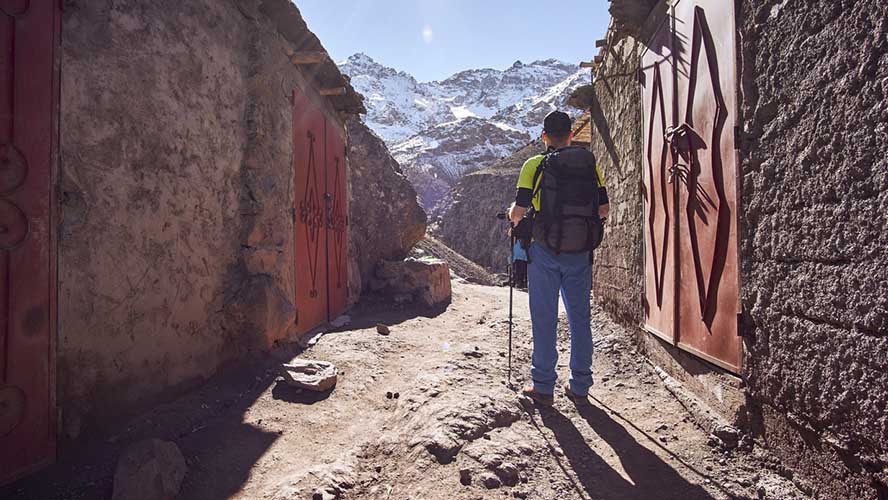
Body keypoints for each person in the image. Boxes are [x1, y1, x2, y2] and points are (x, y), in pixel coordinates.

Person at [508, 110, 609, 406]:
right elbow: (603, 209)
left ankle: (543, 386)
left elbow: (519, 210)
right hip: (580, 253)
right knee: (579, 317)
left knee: (544, 316)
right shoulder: (589, 164)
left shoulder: (535, 164)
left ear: (544, 137)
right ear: (571, 135)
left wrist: (515, 221)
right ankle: (580, 385)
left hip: (545, 251)